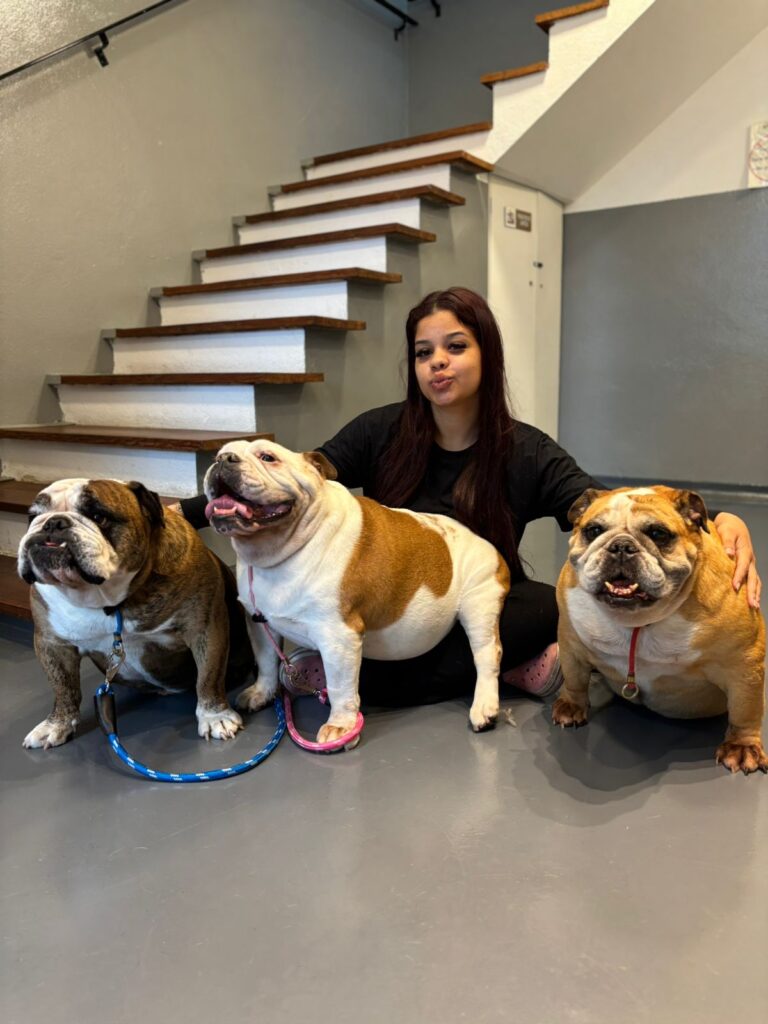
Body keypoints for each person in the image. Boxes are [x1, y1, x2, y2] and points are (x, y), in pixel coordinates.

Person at [177, 287, 761, 706]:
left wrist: (720, 517)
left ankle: (367, 677)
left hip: (479, 595)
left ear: (487, 354)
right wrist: (184, 510)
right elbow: (295, 476)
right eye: (424, 352)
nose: (438, 363)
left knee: (541, 607)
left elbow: (603, 507)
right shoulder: (378, 430)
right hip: (391, 607)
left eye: (455, 346)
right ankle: (496, 669)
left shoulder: (526, 449)